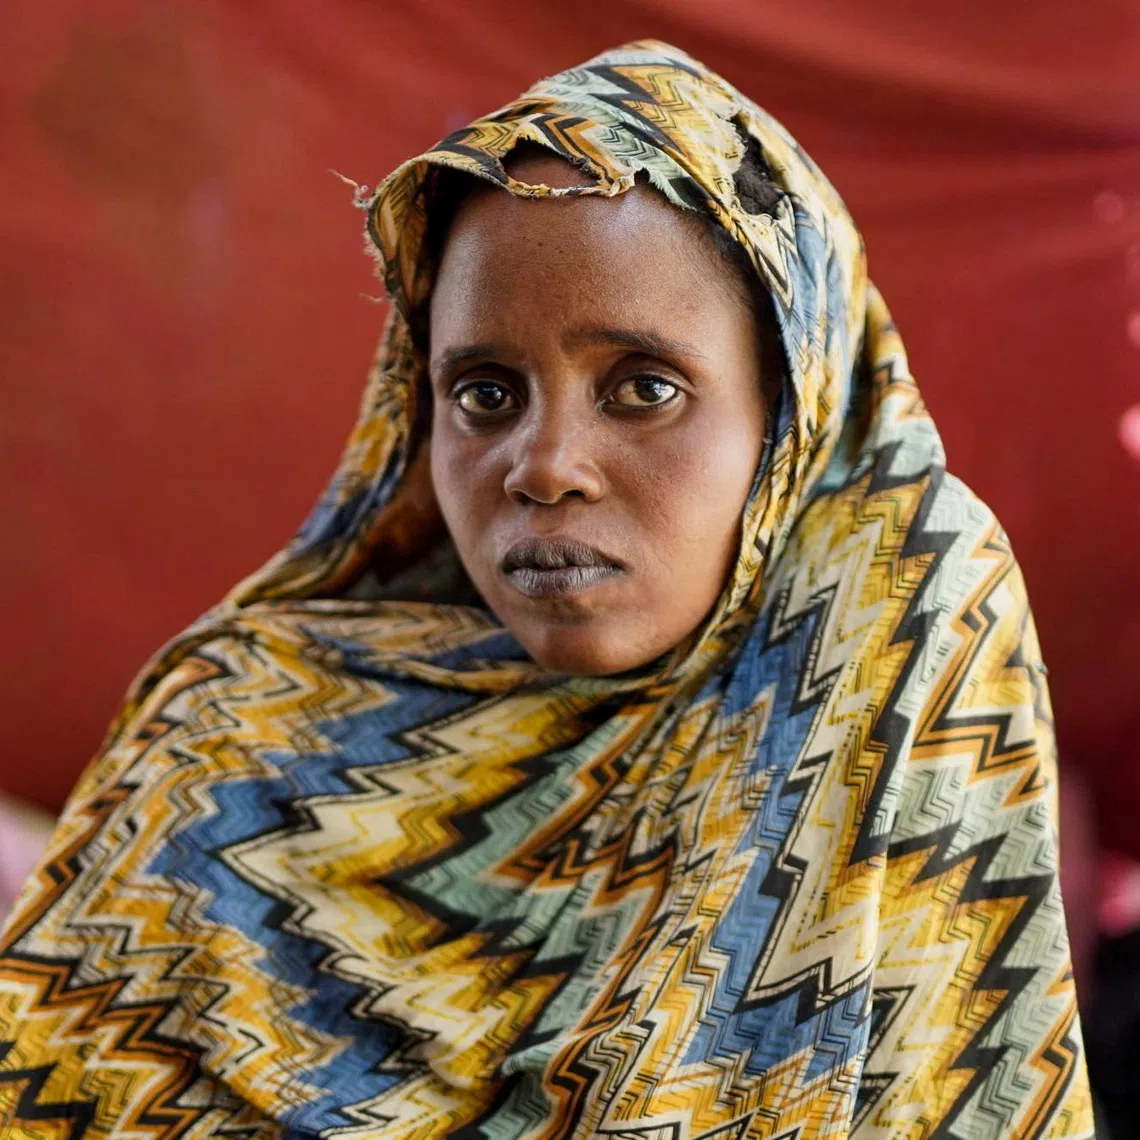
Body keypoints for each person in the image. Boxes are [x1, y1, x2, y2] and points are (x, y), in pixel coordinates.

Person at [0, 41, 1092, 1139]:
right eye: (483, 393)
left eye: (646, 388)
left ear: (789, 420)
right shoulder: (232, 745)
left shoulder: (884, 654)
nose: (544, 463)